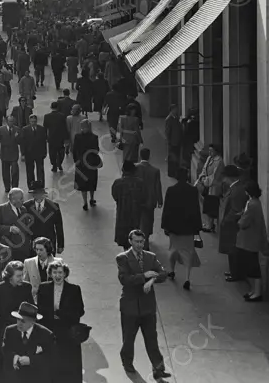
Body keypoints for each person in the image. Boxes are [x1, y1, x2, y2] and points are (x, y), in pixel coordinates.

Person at [117, 229, 169, 380]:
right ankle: (127, 363)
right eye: (136, 241)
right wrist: (144, 276)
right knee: (129, 339)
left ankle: (158, 369)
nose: (140, 245)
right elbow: (125, 279)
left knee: (152, 338)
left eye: (142, 242)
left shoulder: (150, 257)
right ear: (130, 241)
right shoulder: (123, 258)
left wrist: (152, 280)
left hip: (147, 306)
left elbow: (163, 273)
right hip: (130, 306)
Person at [37, 259, 85, 383]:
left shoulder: (74, 289)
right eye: (54, 272)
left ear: (65, 274)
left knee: (68, 364)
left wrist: (60, 313)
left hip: (67, 332)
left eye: (60, 272)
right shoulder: (43, 288)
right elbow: (40, 310)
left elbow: (80, 311)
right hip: (49, 330)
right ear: (50, 274)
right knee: (50, 363)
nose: (57, 276)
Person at [160, 169, 202, 290]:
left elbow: (166, 209)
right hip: (188, 227)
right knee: (188, 252)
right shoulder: (193, 190)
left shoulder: (171, 190)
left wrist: (165, 225)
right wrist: (197, 228)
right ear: (187, 176)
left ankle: (172, 271)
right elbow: (196, 210)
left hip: (174, 226)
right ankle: (187, 278)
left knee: (173, 249)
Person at [0, 301, 55, 383]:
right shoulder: (9, 331)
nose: (19, 323)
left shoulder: (46, 334)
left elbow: (50, 357)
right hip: (15, 378)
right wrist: (14, 357)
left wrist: (31, 360)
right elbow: (5, 349)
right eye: (18, 319)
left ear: (33, 322)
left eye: (23, 321)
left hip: (36, 378)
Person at [0, 261, 31, 359]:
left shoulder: (27, 287)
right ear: (10, 276)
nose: (21, 278)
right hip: (4, 332)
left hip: (23, 331)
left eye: (22, 275)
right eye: (18, 276)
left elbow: (31, 311)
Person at [219, 160, 250, 282]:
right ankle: (233, 271)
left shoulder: (237, 190)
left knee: (233, 251)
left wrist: (226, 220)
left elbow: (236, 210)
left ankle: (236, 273)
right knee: (231, 251)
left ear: (229, 177)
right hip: (231, 225)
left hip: (232, 226)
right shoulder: (235, 187)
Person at [236, 182, 267, 302]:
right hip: (251, 239)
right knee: (251, 267)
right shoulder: (254, 203)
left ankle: (257, 292)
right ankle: (253, 290)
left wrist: (239, 219)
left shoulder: (253, 204)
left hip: (250, 240)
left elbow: (244, 222)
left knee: (253, 268)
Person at [112, 161, 148, 249]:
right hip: (135, 214)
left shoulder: (118, 183)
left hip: (122, 214)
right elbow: (144, 197)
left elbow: (115, 196)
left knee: (124, 237)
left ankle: (126, 253)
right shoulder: (140, 183)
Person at [24, 184, 65, 255]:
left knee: (49, 264)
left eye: (40, 193)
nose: (38, 195)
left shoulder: (54, 206)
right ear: (33, 195)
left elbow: (59, 226)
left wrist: (60, 245)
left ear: (44, 194)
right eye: (36, 193)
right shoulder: (26, 206)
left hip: (49, 242)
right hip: (33, 243)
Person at [194, 143, 224, 232]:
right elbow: (204, 169)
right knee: (207, 205)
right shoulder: (209, 158)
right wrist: (202, 176)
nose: (210, 152)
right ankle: (208, 224)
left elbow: (215, 176)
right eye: (209, 150)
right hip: (208, 185)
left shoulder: (219, 161)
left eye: (211, 151)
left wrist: (205, 181)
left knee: (212, 206)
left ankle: (210, 225)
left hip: (214, 186)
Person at [71, 118, 100, 210]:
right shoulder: (94, 137)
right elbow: (96, 150)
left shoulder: (77, 137)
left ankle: (85, 202)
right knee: (92, 182)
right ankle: (92, 198)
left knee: (82, 184)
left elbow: (74, 150)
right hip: (91, 163)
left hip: (81, 164)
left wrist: (76, 160)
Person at [135, 147, 163, 240]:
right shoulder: (155, 171)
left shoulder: (135, 168)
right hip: (150, 200)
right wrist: (160, 200)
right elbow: (157, 186)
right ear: (149, 157)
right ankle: (146, 235)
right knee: (149, 219)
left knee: (138, 218)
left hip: (137, 199)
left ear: (140, 155)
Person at [19, 113, 47, 192]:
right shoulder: (25, 129)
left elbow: (44, 141)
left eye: (34, 121)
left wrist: (45, 152)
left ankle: (41, 185)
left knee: (40, 170)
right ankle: (31, 186)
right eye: (32, 121)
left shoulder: (41, 129)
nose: (33, 123)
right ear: (29, 121)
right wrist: (23, 154)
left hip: (39, 153)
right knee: (30, 171)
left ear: (36, 121)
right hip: (29, 154)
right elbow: (22, 143)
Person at [0, 114, 21, 193]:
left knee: (15, 171)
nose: (11, 123)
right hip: (5, 153)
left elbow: (21, 141)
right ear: (6, 121)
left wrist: (17, 137)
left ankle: (15, 187)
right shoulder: (0, 129)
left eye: (12, 121)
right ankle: (7, 187)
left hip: (14, 154)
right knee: (5, 172)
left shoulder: (17, 129)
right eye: (10, 121)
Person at [43, 102, 69, 174]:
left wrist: (45, 137)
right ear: (57, 107)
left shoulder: (47, 116)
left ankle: (54, 164)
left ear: (51, 107)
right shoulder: (62, 116)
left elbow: (45, 127)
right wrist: (66, 137)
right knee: (61, 152)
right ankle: (59, 163)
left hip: (51, 137)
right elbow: (64, 127)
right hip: (60, 137)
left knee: (52, 152)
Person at [163, 105, 182, 178]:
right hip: (172, 141)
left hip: (177, 141)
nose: (176, 110)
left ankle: (175, 171)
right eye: (175, 109)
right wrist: (169, 141)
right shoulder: (169, 119)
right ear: (171, 110)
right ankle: (171, 172)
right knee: (172, 158)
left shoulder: (176, 118)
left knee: (176, 157)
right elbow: (167, 131)